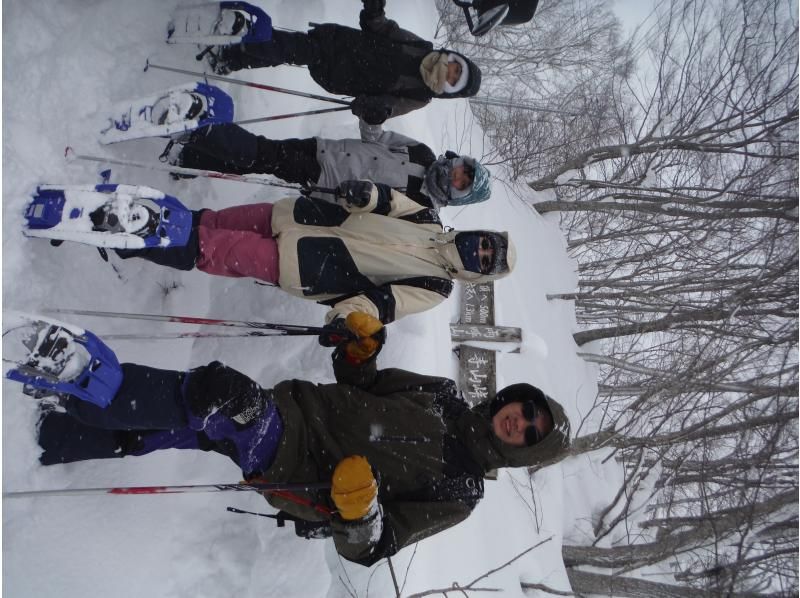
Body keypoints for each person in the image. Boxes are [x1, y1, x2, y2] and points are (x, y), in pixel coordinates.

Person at [27, 313, 572, 566]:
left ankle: (81, 374)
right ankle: (58, 432)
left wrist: (360, 513)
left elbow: (376, 546)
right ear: (514, 399)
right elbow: (363, 384)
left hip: (302, 471)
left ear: (525, 453)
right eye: (526, 411)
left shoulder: (462, 493)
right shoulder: (446, 396)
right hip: (297, 406)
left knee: (224, 398)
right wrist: (360, 351)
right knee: (200, 426)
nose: (519, 422)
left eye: (530, 434)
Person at [115, 182, 515, 325]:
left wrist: (347, 320)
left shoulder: (436, 286)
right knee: (214, 221)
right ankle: (139, 221)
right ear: (481, 233)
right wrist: (366, 193)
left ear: (479, 274)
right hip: (298, 214)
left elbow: (380, 305)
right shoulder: (429, 217)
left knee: (211, 248)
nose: (478, 251)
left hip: (304, 265)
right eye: (485, 243)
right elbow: (386, 200)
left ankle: (125, 234)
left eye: (484, 259)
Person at [206, 1, 482, 124]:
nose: (450, 72)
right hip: (339, 41)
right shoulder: (422, 48)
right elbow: (381, 28)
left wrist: (373, 110)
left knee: (291, 49)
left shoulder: (419, 95)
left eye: (455, 80)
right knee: (289, 50)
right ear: (455, 58)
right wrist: (375, 8)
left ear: (451, 90)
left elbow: (389, 107)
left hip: (339, 74)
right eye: (457, 67)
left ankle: (238, 37)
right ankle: (231, 57)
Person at [166, 120, 491, 209]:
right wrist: (373, 115)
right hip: (325, 149)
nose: (456, 175)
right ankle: (191, 159)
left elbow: (377, 215)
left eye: (463, 183)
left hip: (327, 183)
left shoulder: (421, 205)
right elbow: (375, 136)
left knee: (263, 153)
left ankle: (203, 129)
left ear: (460, 194)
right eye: (464, 169)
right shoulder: (423, 151)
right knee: (261, 156)